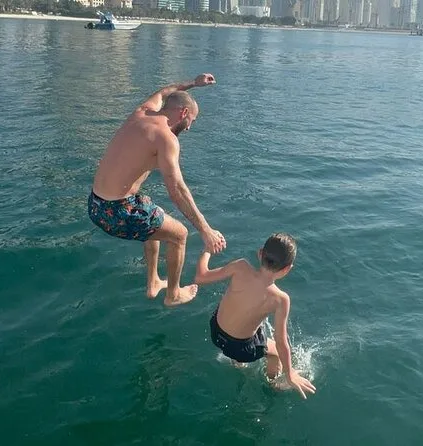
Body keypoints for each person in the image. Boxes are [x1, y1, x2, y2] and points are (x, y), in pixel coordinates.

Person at [88, 74, 226, 307]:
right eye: (191, 120)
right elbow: (177, 190)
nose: (189, 127)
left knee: (151, 210)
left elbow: (164, 92)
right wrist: (206, 230)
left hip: (95, 203)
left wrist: (194, 83)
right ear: (183, 113)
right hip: (116, 212)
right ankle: (173, 294)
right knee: (180, 235)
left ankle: (153, 282)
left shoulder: (142, 112)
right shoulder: (166, 139)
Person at [194, 233, 317, 399]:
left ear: (260, 254)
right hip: (241, 349)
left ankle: (238, 363)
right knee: (276, 354)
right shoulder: (280, 299)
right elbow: (281, 342)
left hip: (216, 332)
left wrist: (207, 250)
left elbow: (200, 277)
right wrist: (290, 374)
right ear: (287, 269)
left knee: (249, 318)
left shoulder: (240, 266)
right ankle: (273, 384)